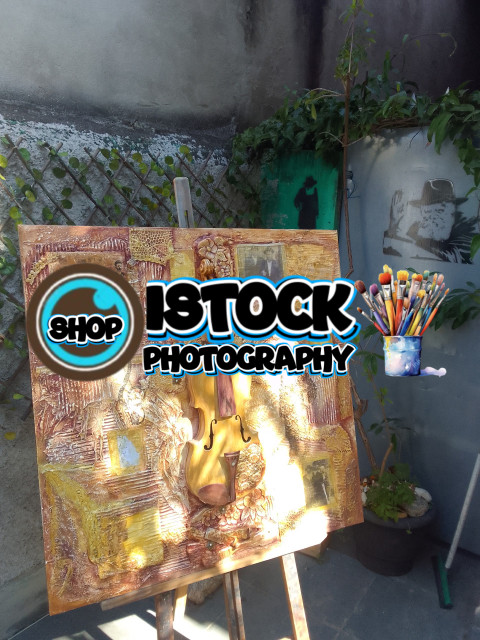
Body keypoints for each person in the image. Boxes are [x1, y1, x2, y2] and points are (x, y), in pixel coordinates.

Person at [383, 179, 478, 263]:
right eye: (426, 213)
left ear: (452, 212)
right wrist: (394, 225)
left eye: (439, 211)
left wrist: (396, 234)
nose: (431, 219)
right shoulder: (417, 230)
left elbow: (451, 257)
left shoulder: (467, 235)